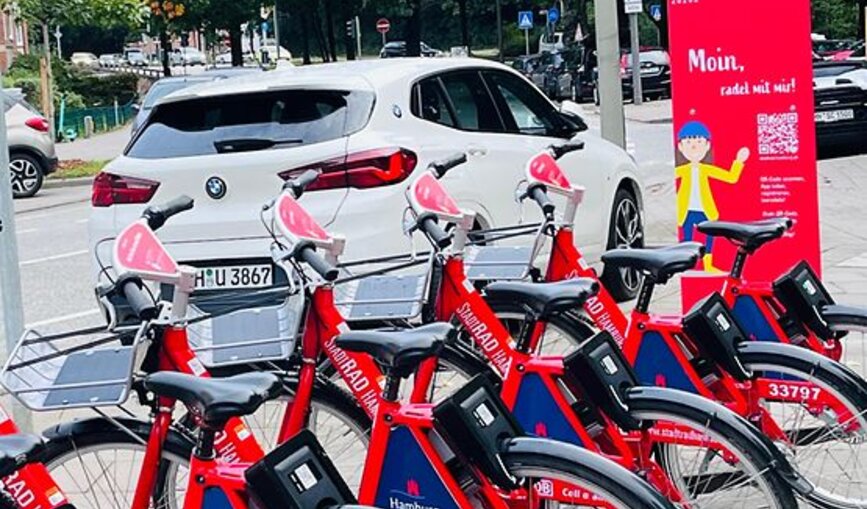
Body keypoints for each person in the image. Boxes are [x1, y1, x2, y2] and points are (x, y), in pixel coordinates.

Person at [675, 120, 750, 272]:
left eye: (698, 141)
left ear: (707, 146)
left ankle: (708, 265)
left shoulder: (706, 169)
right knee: (687, 238)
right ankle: (688, 266)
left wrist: (739, 162)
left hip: (705, 209)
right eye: (688, 142)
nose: (694, 146)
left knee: (710, 238)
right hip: (687, 210)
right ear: (681, 147)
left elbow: (731, 177)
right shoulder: (683, 170)